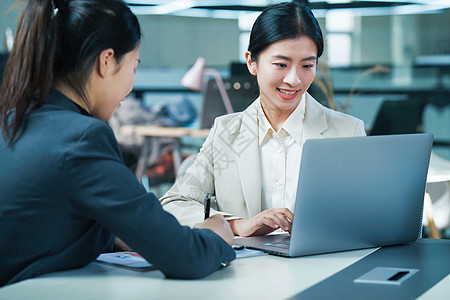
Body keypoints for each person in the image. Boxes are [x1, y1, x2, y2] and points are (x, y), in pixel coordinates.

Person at [0, 0, 235, 287]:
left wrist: (114, 236)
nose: (131, 85)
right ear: (107, 60)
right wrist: (216, 235)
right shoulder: (83, 138)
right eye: (133, 67)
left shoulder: (12, 120)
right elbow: (187, 257)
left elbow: (41, 226)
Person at [160, 1, 366, 237]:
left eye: (307, 65)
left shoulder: (347, 131)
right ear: (251, 62)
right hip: (246, 270)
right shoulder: (226, 132)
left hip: (322, 264)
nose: (294, 80)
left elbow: (365, 215)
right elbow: (174, 203)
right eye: (281, 64)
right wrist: (236, 224)